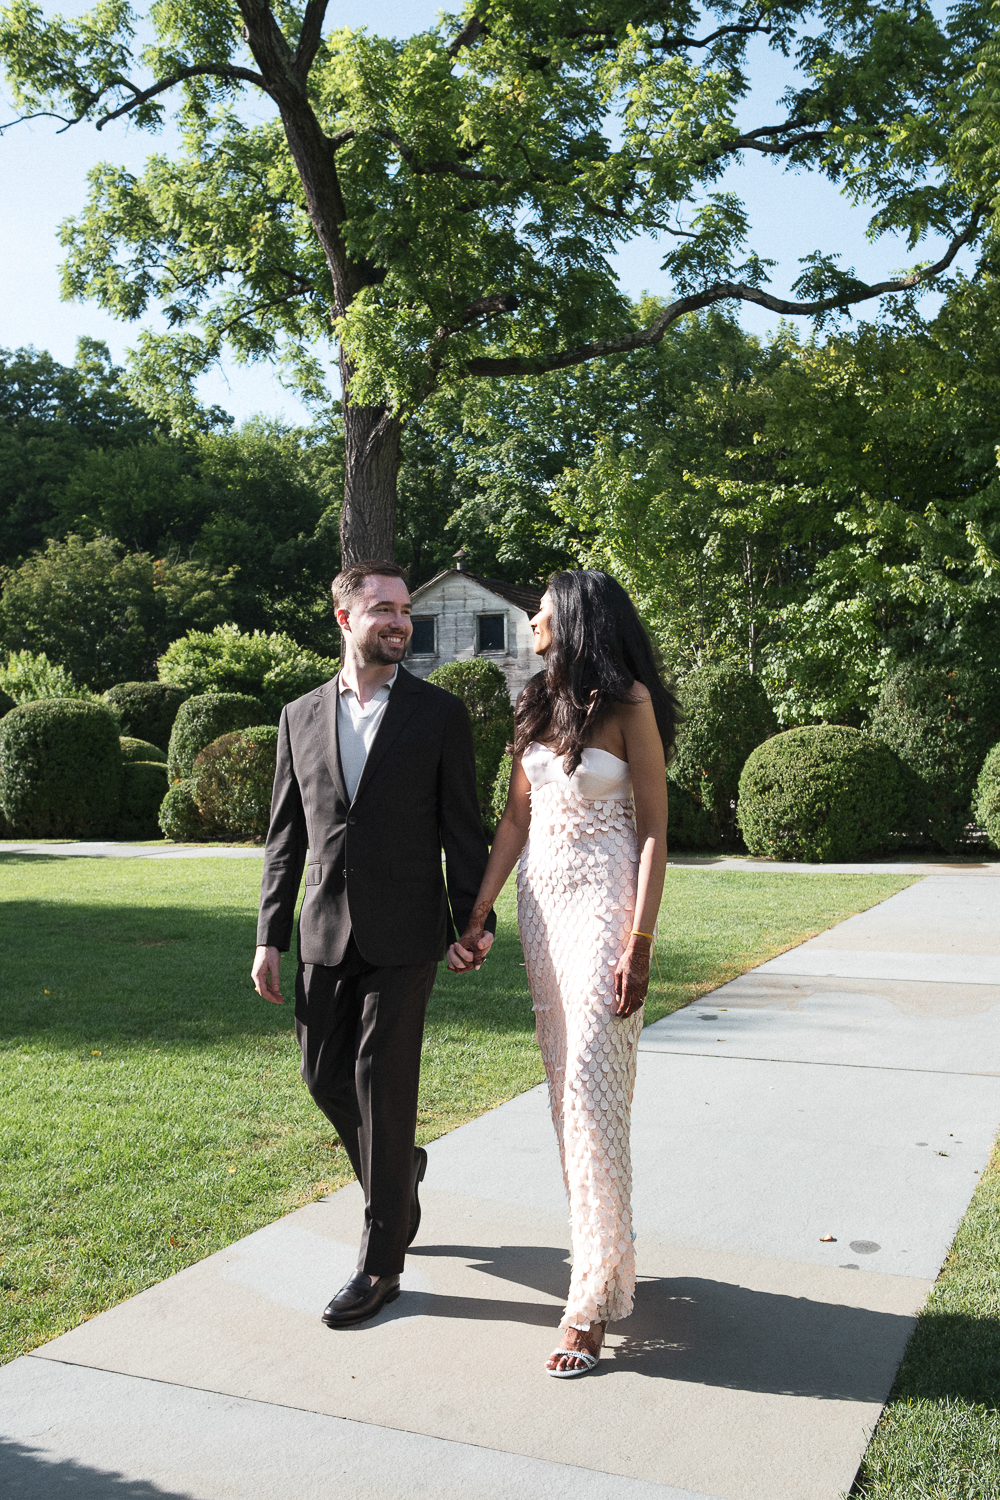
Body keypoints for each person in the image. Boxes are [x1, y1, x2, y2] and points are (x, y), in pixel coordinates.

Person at [252, 560, 495, 1329]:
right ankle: (401, 1173)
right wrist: (268, 936)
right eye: (384, 609)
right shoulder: (298, 716)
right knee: (323, 1075)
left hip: (405, 931)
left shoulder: (438, 714)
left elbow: (463, 826)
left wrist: (473, 921)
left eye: (404, 611)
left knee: (380, 1084)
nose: (399, 621)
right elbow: (284, 837)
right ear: (344, 619)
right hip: (323, 927)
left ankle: (379, 1263)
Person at [448, 570, 676, 1377]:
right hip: (545, 911)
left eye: (542, 606)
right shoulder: (535, 701)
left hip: (608, 904)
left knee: (590, 1082)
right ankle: (605, 1253)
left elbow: (653, 829)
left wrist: (639, 942)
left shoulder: (631, 705)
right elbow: (517, 817)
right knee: (565, 1093)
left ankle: (588, 1301)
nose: (533, 616)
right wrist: (478, 911)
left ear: (574, 616)